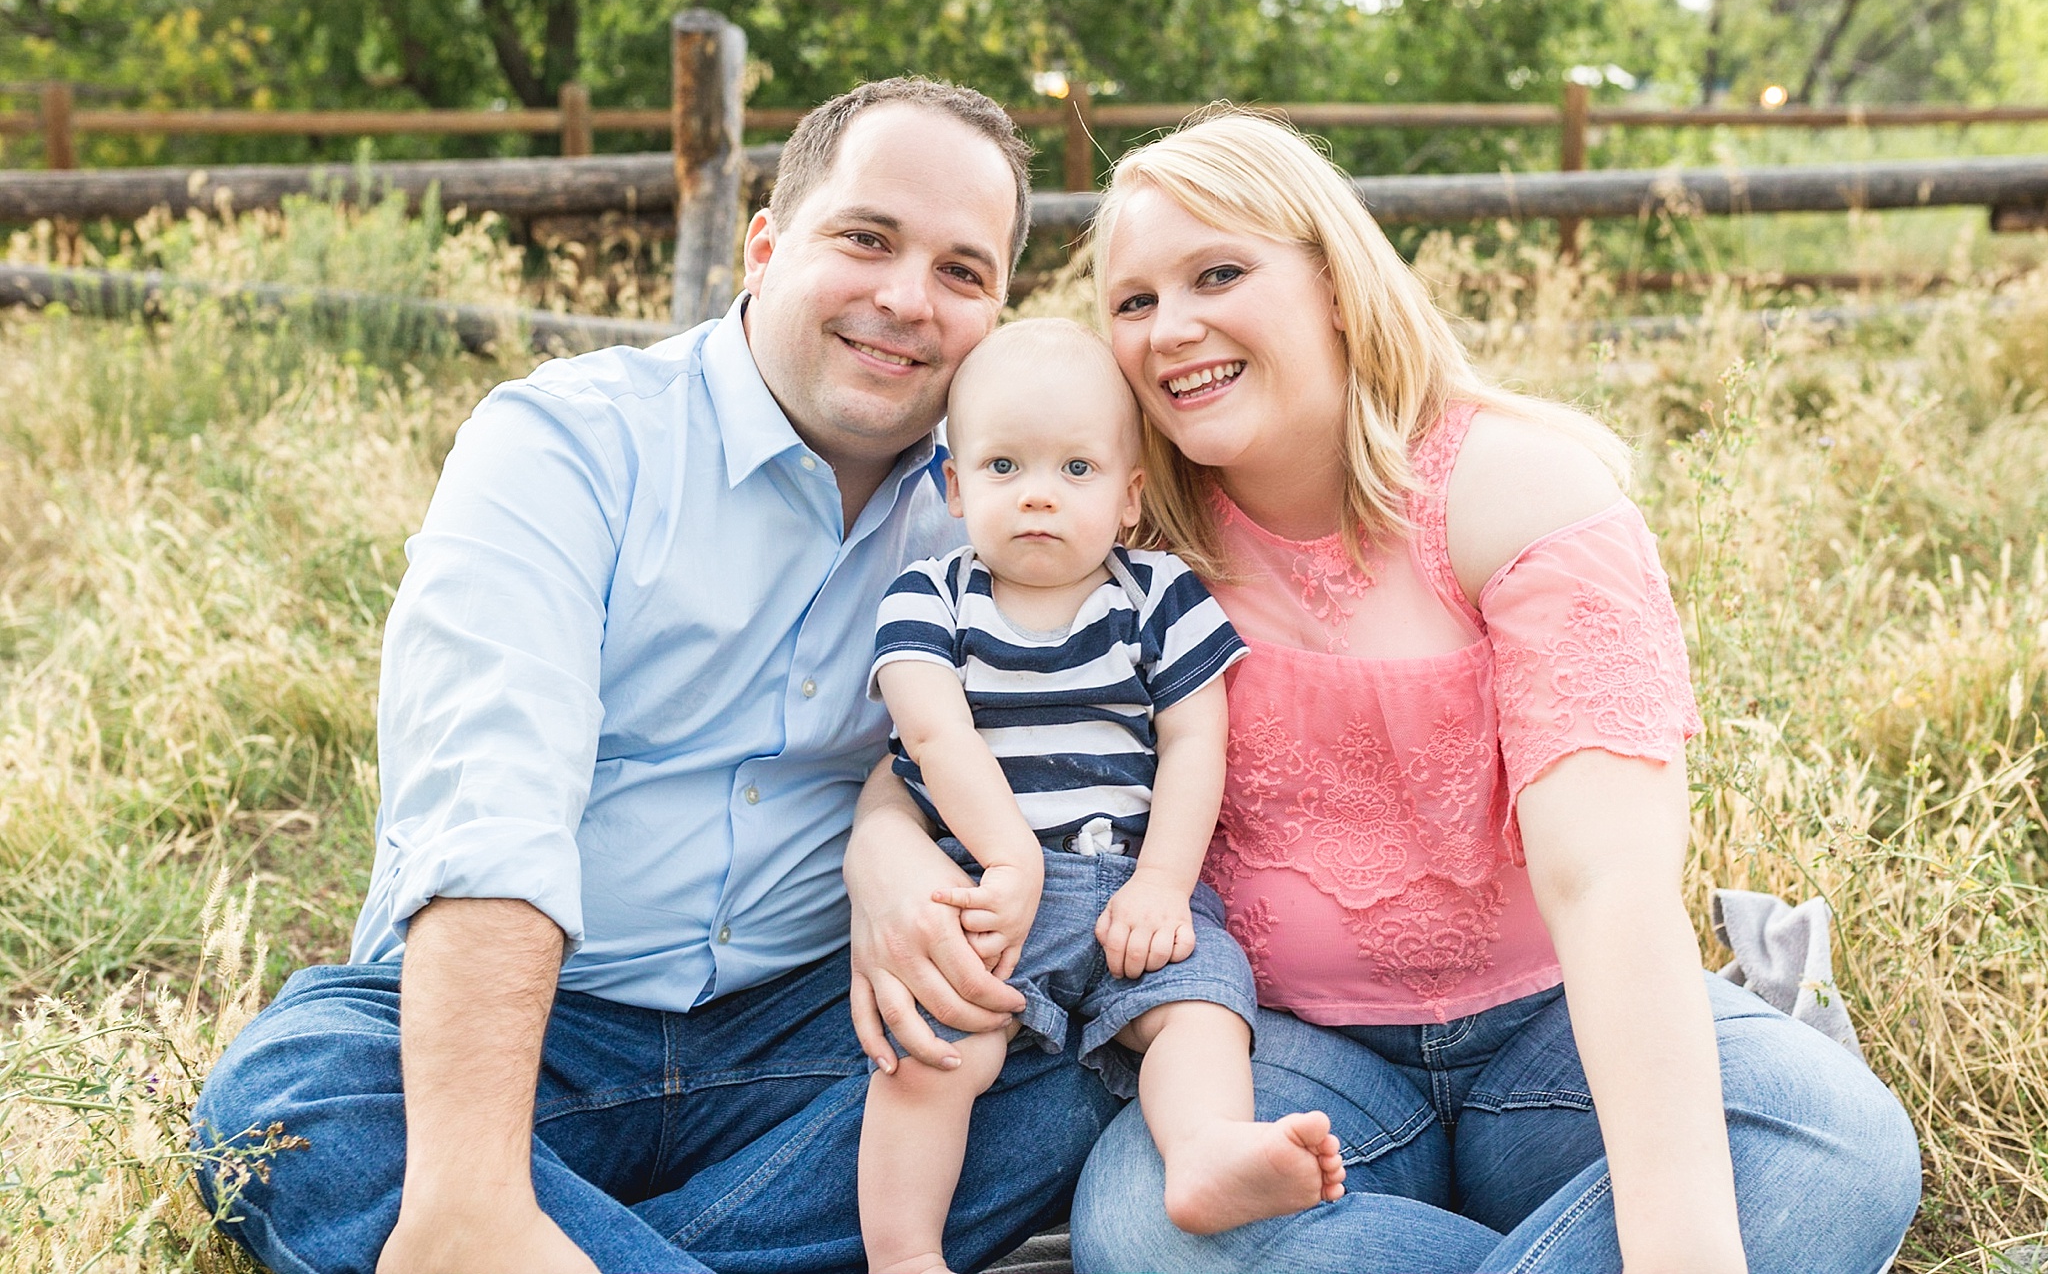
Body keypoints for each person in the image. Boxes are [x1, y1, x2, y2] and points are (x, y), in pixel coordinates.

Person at [848, 110, 1923, 1273]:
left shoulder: (1515, 494)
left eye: (1219, 272)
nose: (1174, 328)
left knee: (1830, 1146)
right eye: (1134, 301)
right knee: (1142, 1228)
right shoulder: (1124, 533)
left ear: (1334, 284)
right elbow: (957, 727)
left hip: (1554, 1037)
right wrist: (881, 859)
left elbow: (1607, 882)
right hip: (1303, 1058)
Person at [189, 78, 1123, 1274]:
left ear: (995, 307)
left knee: (1073, 1063)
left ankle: (541, 1247)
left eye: (961, 271)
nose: (905, 299)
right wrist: (471, 1184)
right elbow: (491, 799)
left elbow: (1061, 744)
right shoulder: (566, 444)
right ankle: (499, 1221)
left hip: (817, 1032)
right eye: (867, 239)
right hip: (541, 1033)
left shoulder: (996, 507)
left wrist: (886, 844)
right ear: (766, 243)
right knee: (292, 1107)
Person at [856, 318, 1345, 1274]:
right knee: (937, 1052)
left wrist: (1165, 882)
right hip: (986, 894)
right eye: (1003, 466)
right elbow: (931, 731)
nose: (1038, 492)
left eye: (1076, 470)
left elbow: (1198, 736)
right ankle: (903, 1251)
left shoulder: (1157, 592)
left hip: (1132, 889)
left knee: (1200, 1010)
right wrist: (1009, 858)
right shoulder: (933, 597)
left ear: (1129, 498)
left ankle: (1204, 1151)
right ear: (954, 488)